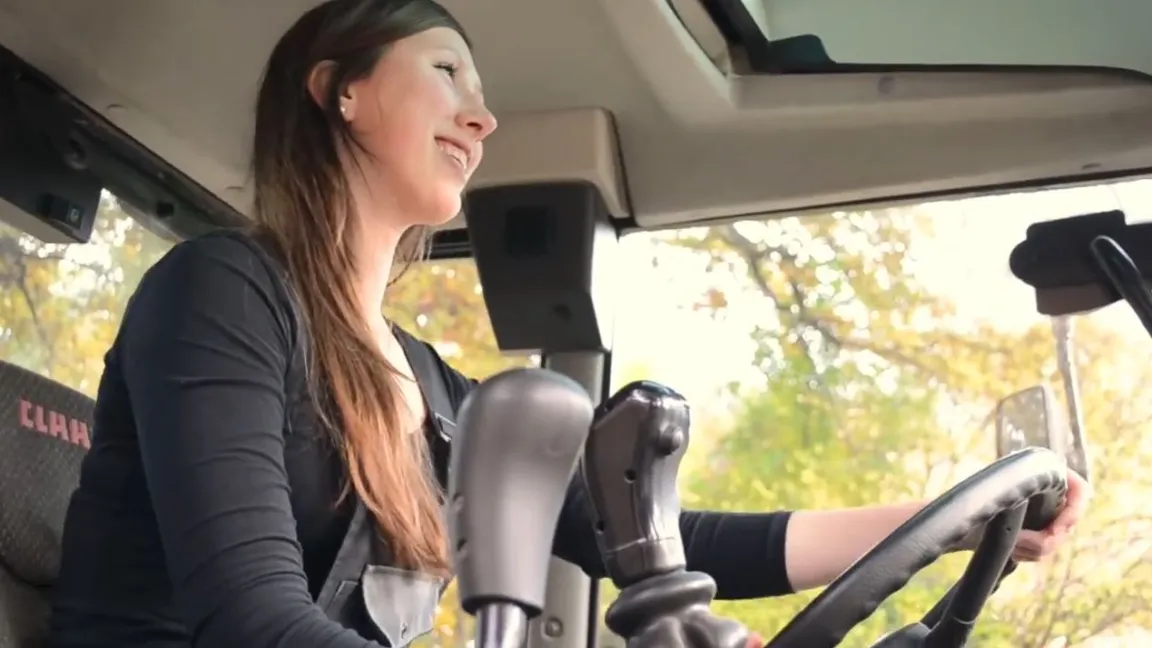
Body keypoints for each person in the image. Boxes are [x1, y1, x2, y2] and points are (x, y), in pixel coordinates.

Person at [45, 0, 1091, 646]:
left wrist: (942, 526)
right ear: (343, 93)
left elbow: (663, 539)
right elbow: (252, 621)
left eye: (483, 90)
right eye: (446, 70)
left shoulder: (439, 392)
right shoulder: (220, 294)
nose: (483, 114)